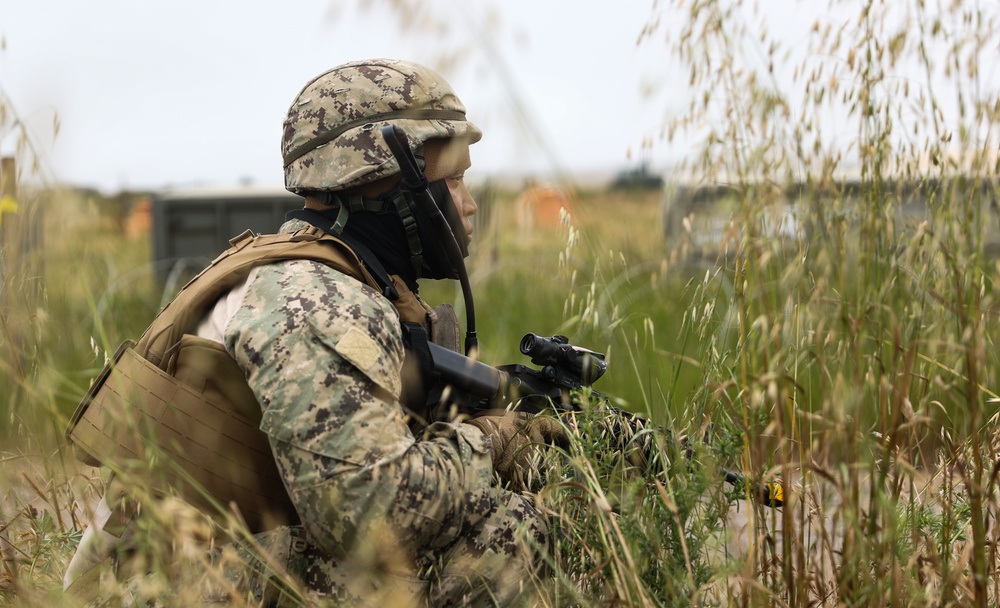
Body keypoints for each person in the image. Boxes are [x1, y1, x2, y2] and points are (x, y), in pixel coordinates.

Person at [63, 58, 563, 606]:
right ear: (389, 176)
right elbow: (367, 515)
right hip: (144, 589)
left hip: (176, 570)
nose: (468, 205)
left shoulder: (328, 275)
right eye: (456, 178)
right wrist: (493, 441)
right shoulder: (316, 300)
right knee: (507, 530)